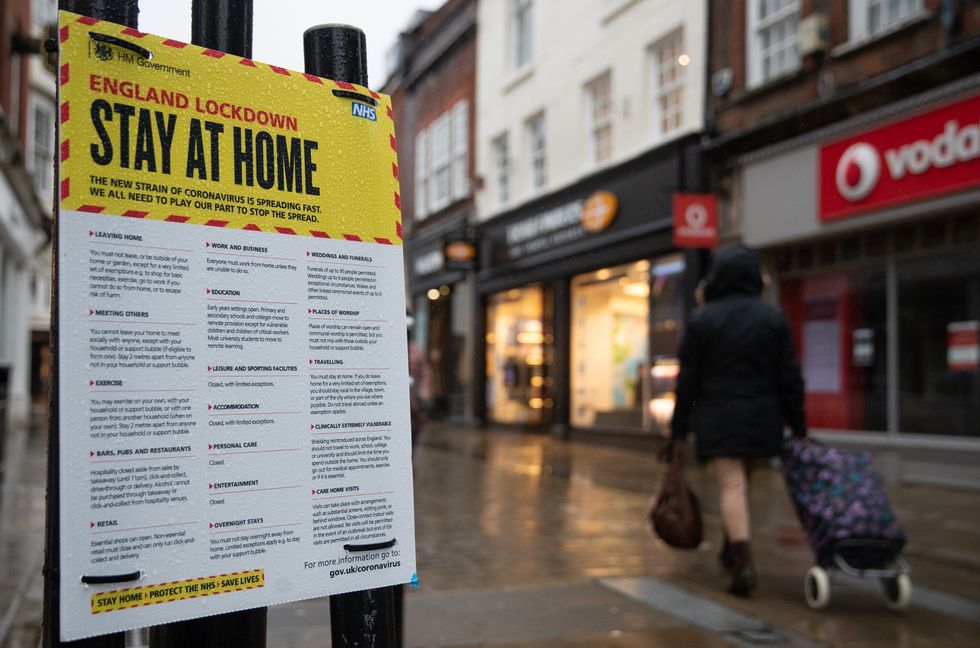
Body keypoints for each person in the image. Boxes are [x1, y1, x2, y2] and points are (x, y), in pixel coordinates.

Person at [669, 245, 806, 597]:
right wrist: (799, 425)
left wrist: (678, 430)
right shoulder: (772, 317)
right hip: (762, 415)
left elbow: (687, 381)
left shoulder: (702, 319)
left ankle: (743, 561)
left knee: (732, 484)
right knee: (743, 479)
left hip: (719, 414)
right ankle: (731, 548)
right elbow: (789, 375)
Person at [407, 320, 432, 451]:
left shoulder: (415, 350)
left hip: (414, 405)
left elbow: (425, 372)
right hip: (395, 405)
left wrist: (424, 392)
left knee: (413, 436)